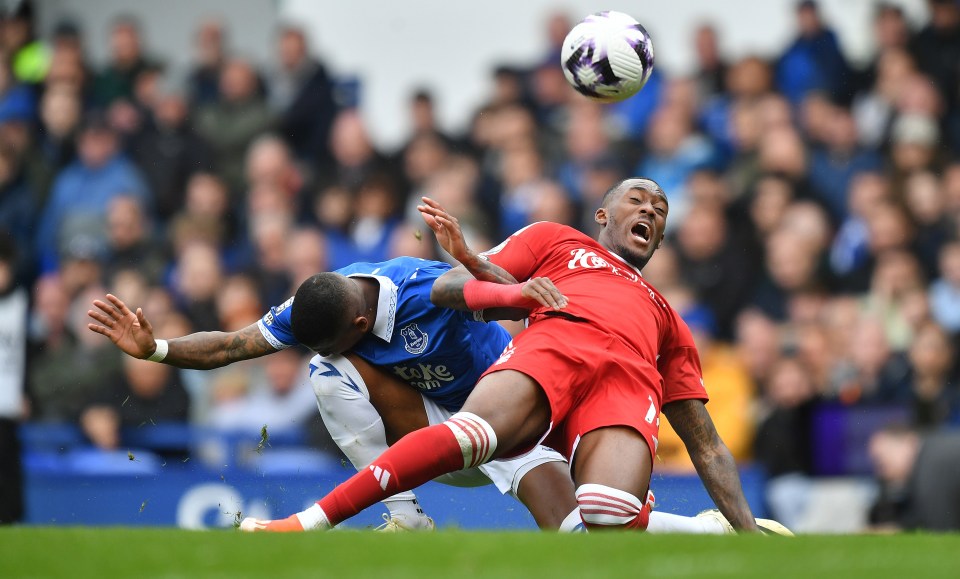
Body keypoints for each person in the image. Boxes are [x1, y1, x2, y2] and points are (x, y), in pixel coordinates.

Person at [239, 178, 766, 533]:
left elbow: (709, 444)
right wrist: (472, 260)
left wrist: (749, 534)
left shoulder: (668, 319)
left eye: (660, 209)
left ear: (661, 239)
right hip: (550, 354)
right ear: (603, 213)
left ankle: (703, 529)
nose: (650, 208)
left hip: (623, 389)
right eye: (637, 199)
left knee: (605, 516)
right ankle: (309, 523)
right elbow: (452, 290)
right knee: (469, 432)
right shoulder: (556, 241)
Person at [88, 256, 580, 531]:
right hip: (436, 438)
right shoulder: (318, 305)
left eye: (339, 339)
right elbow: (227, 348)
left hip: (514, 428)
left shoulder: (424, 290)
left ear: (361, 323)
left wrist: (510, 284)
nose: (316, 350)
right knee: (325, 370)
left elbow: (486, 293)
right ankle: (407, 517)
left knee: (585, 534)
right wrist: (155, 349)